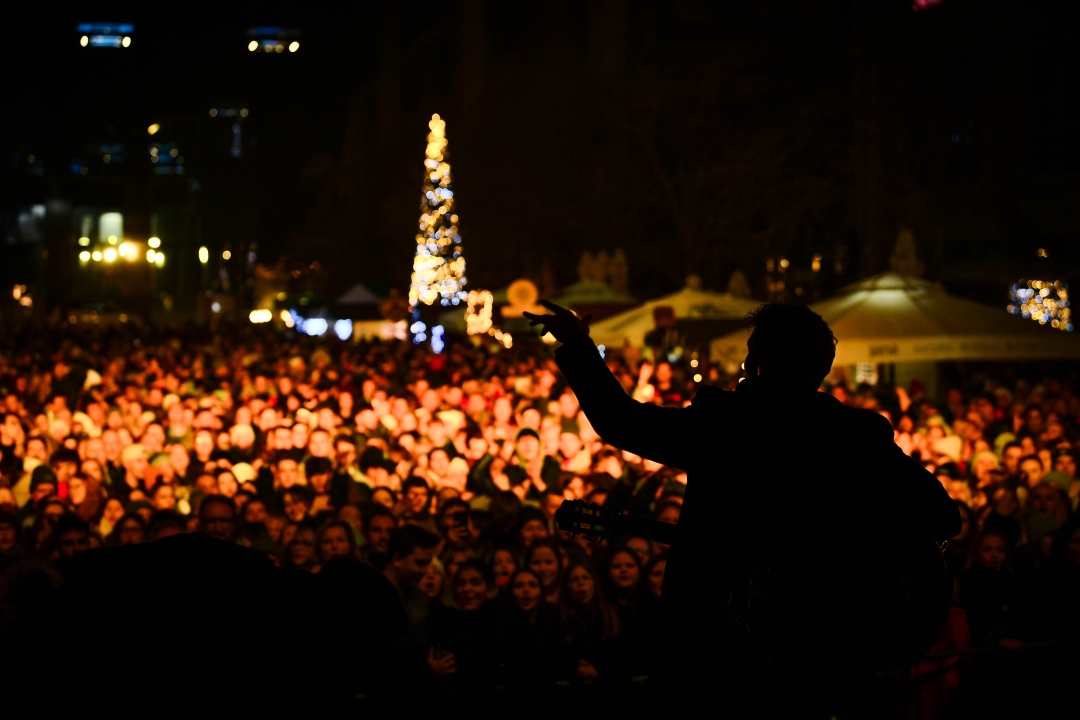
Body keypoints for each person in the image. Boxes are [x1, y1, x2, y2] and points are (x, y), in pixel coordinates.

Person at [526, 299, 961, 715]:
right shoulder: (857, 436)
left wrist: (580, 346)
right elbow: (942, 515)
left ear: (759, 365)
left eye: (751, 355)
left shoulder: (724, 427)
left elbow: (622, 421)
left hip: (723, 655)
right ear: (821, 370)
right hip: (831, 656)